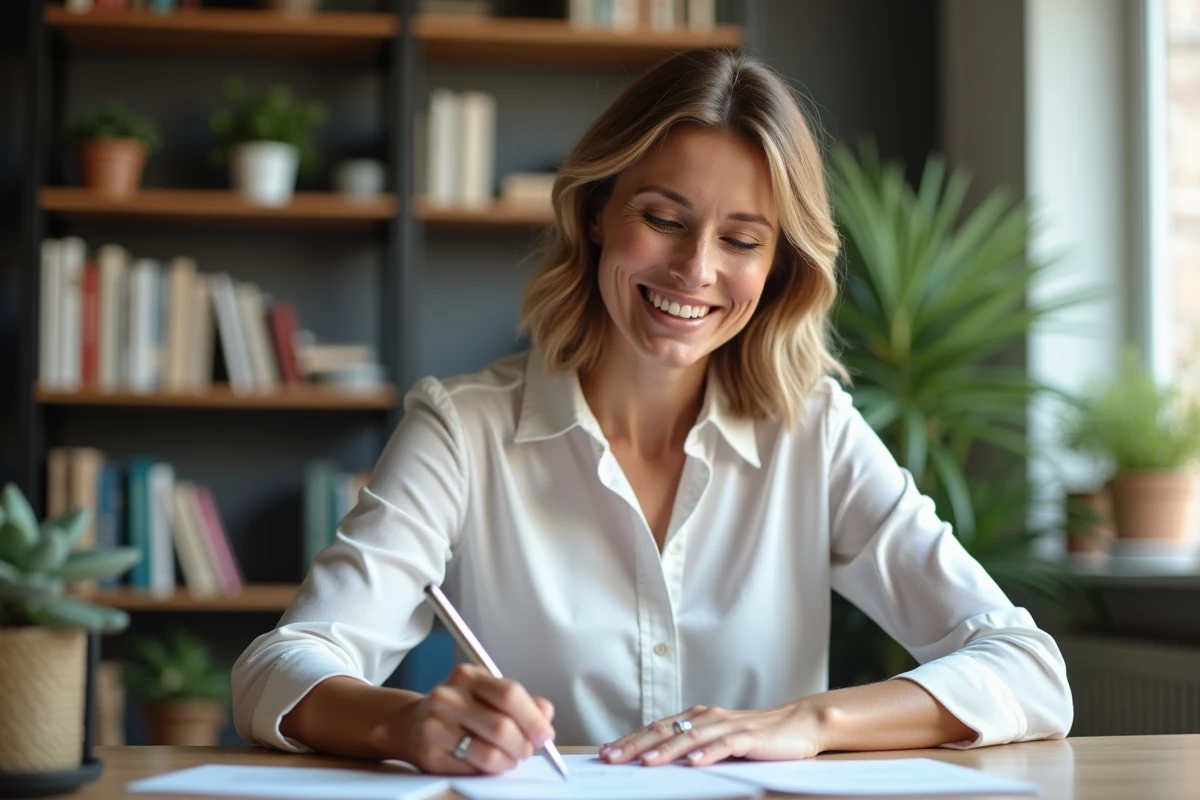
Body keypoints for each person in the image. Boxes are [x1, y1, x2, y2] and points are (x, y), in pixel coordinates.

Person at [232, 47, 1073, 775]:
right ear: (598, 213)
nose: (694, 270)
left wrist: (810, 722)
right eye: (663, 219)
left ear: (778, 265)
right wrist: (408, 722)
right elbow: (279, 667)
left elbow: (1027, 668)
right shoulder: (464, 429)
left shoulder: (813, 432)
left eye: (742, 240)